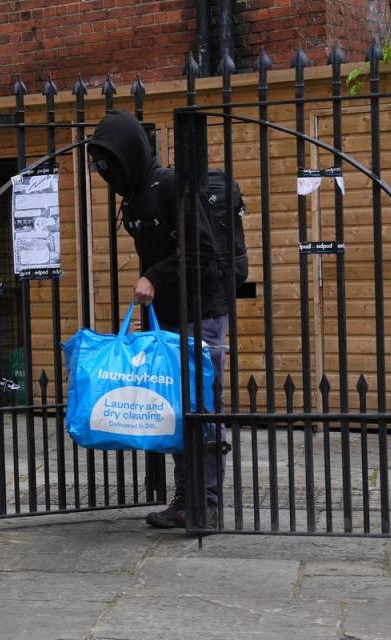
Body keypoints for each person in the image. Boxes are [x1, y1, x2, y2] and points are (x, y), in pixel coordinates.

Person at [89, 109, 241, 530]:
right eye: (100, 167)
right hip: (166, 320)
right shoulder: (133, 199)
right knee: (174, 411)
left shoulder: (170, 186)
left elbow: (203, 250)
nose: (105, 174)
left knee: (203, 409)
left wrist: (153, 277)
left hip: (203, 314)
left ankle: (206, 504)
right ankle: (184, 499)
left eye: (109, 164)